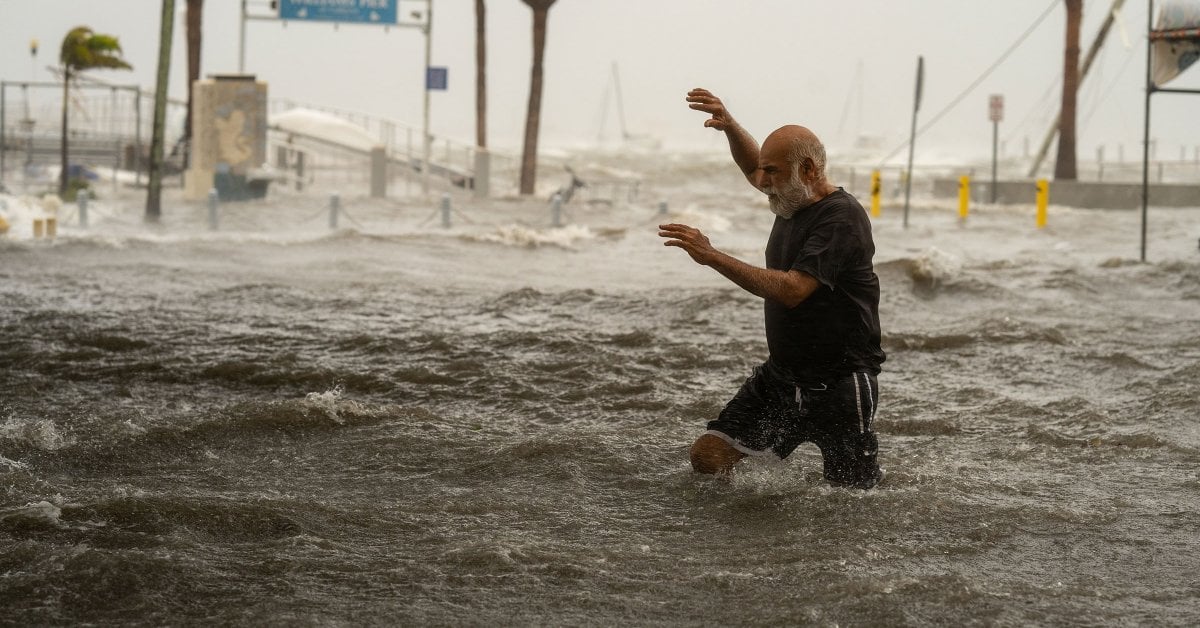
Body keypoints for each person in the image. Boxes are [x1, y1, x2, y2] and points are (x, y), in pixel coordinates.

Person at [658, 88, 886, 489]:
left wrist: (712, 256)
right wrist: (730, 126)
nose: (763, 182)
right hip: (781, 378)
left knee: (851, 499)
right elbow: (753, 167)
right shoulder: (789, 197)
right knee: (709, 456)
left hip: (840, 384)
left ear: (810, 170)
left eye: (774, 172)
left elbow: (794, 289)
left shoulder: (841, 218)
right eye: (765, 172)